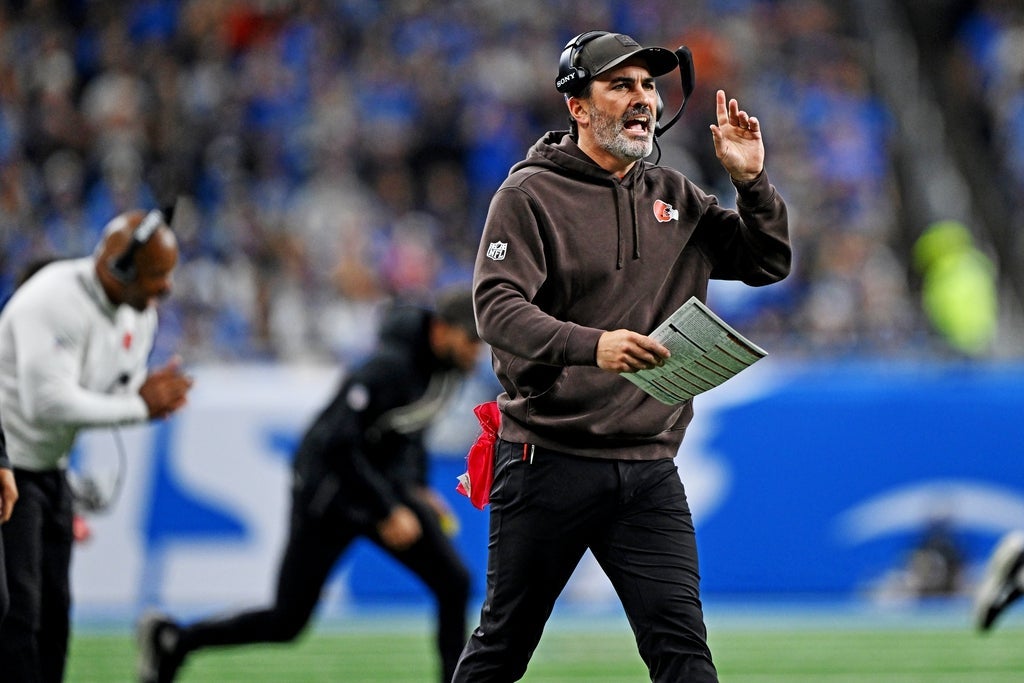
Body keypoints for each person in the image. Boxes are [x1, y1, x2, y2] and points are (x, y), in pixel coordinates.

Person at [453, 31, 791, 682]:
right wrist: (593, 345)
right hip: (547, 458)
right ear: (578, 107)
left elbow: (767, 261)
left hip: (647, 468)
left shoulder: (676, 194)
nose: (643, 98)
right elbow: (496, 308)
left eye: (649, 86)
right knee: (502, 649)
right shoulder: (529, 196)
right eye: (621, 85)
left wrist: (751, 183)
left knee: (684, 653)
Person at [137, 286, 482, 683]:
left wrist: (417, 487)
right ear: (440, 330)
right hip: (330, 494)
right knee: (287, 620)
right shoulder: (389, 367)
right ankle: (174, 640)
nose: (476, 351)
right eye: (471, 339)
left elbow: (408, 432)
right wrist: (386, 510)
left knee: (454, 582)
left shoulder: (444, 370)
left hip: (376, 485)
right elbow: (335, 444)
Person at [0, 208, 193, 683]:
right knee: (18, 615)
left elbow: (106, 390)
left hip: (50, 470)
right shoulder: (53, 300)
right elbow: (47, 404)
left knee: (54, 616)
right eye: (156, 275)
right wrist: (139, 406)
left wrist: (139, 393)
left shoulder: (136, 313)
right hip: (9, 470)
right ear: (119, 269)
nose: (166, 288)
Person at [975, 530, 1024, 631]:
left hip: (1014, 547)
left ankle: (994, 609)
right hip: (1015, 548)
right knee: (993, 588)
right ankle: (991, 610)